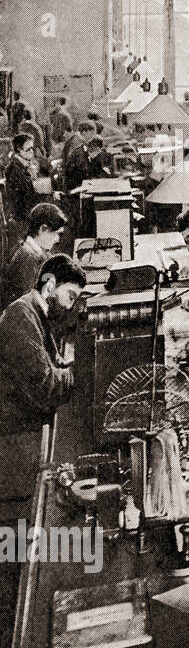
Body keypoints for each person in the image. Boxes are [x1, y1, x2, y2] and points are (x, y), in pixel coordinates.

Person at [0, 254, 83, 440]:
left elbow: (49, 362)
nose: (70, 306)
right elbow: (44, 385)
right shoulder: (20, 315)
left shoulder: (33, 310)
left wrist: (65, 366)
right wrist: (78, 371)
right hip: (14, 434)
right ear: (50, 285)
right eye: (70, 296)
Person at [1, 203, 67, 309]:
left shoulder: (35, 251)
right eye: (56, 233)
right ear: (43, 229)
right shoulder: (27, 258)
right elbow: (30, 308)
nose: (57, 239)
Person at [6, 133, 40, 224]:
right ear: (19, 150)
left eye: (32, 148)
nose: (32, 152)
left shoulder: (23, 164)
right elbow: (27, 195)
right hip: (22, 217)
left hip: (27, 211)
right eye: (28, 149)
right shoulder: (14, 168)